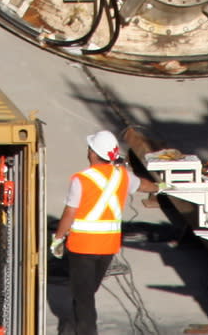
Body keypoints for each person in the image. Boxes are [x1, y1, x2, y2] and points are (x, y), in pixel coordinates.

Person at [52, 128, 130, 335]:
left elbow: (70, 212)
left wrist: (57, 239)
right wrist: (161, 185)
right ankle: (72, 328)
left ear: (93, 153)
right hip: (108, 248)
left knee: (84, 299)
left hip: (82, 247)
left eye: (90, 147)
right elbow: (142, 185)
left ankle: (82, 331)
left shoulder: (82, 179)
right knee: (85, 293)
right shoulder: (122, 176)